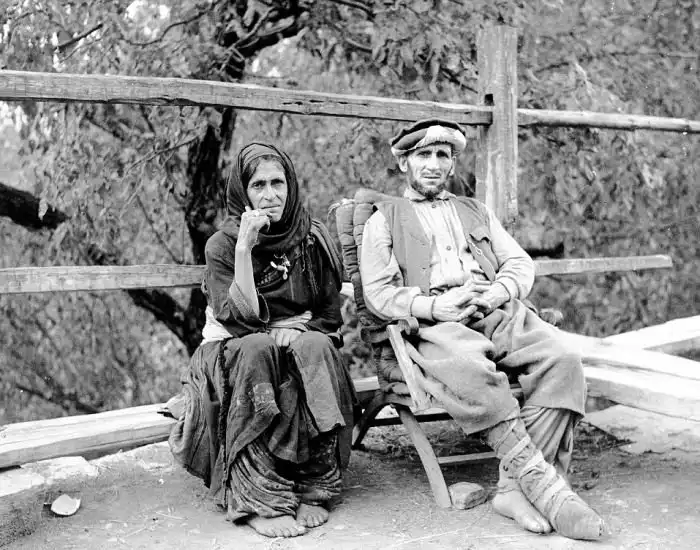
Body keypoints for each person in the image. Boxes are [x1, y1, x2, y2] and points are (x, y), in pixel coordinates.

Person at [359, 119, 606, 540]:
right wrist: (434, 306)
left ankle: (513, 489)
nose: (433, 164)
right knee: (471, 371)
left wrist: (496, 294)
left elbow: (519, 263)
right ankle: (544, 488)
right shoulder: (384, 219)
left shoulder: (474, 210)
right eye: (423, 155)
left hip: (491, 308)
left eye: (442, 155)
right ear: (404, 163)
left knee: (562, 360)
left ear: (453, 163)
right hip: (435, 323)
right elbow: (378, 294)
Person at [167, 143, 356, 539]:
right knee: (258, 348)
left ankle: (315, 484)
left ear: (290, 186)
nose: (270, 195)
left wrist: (299, 329)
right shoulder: (222, 245)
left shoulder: (311, 238)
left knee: (317, 347)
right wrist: (244, 248)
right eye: (258, 186)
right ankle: (259, 498)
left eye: (277, 183)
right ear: (243, 193)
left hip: (298, 342)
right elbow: (238, 320)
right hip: (234, 350)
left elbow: (327, 313)